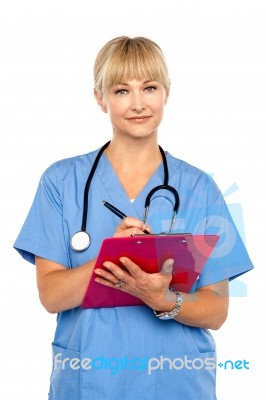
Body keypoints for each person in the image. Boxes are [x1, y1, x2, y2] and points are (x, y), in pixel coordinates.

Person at [14, 36, 253, 399]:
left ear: (166, 93)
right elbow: (51, 296)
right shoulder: (61, 182)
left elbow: (217, 310)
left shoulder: (200, 188)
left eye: (150, 87)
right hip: (89, 380)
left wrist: (163, 300)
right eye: (122, 90)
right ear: (100, 98)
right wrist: (109, 258)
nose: (138, 104)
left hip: (176, 381)